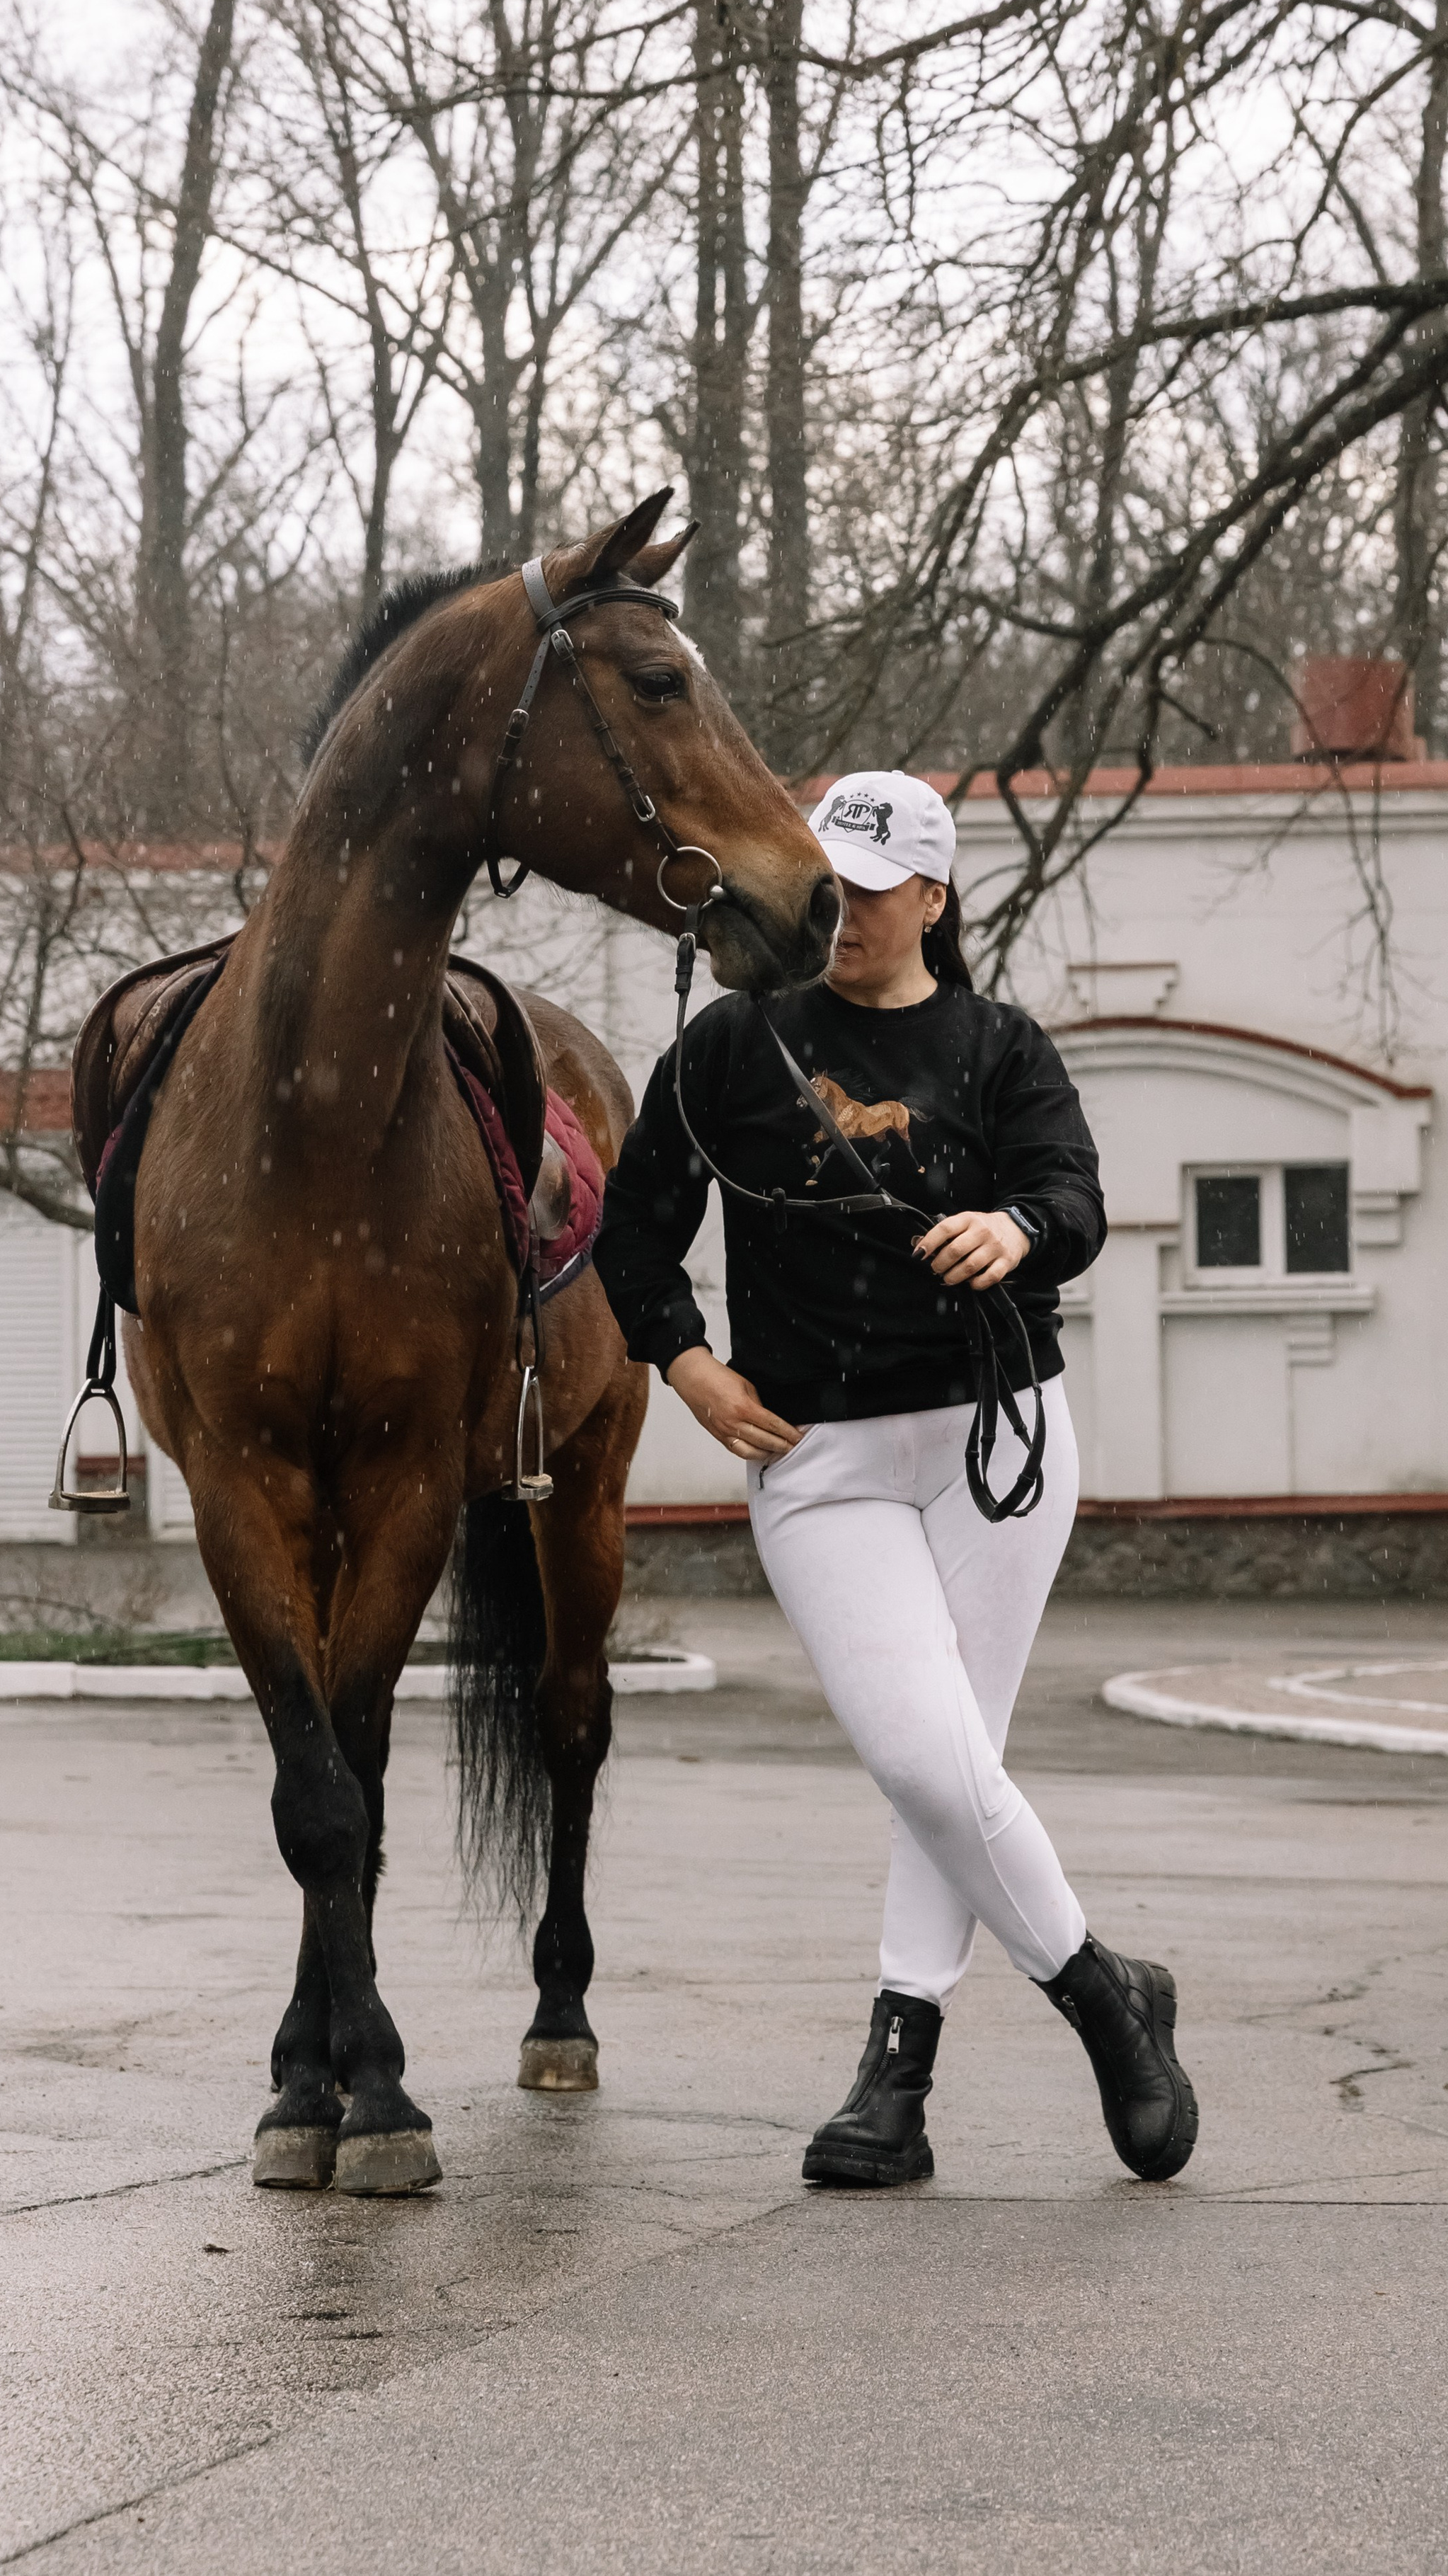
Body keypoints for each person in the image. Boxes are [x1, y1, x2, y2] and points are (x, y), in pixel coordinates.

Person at [592, 769, 1197, 2188]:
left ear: (930, 896)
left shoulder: (998, 1047)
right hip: (817, 1457)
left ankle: (895, 2079)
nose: (840, 909)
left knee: (951, 1771)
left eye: (868, 887)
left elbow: (1072, 1201)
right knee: (924, 1758)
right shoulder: (729, 1050)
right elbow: (633, 1234)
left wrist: (1014, 1228)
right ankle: (1106, 2001)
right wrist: (682, 1362)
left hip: (998, 1441)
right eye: (825, 880)